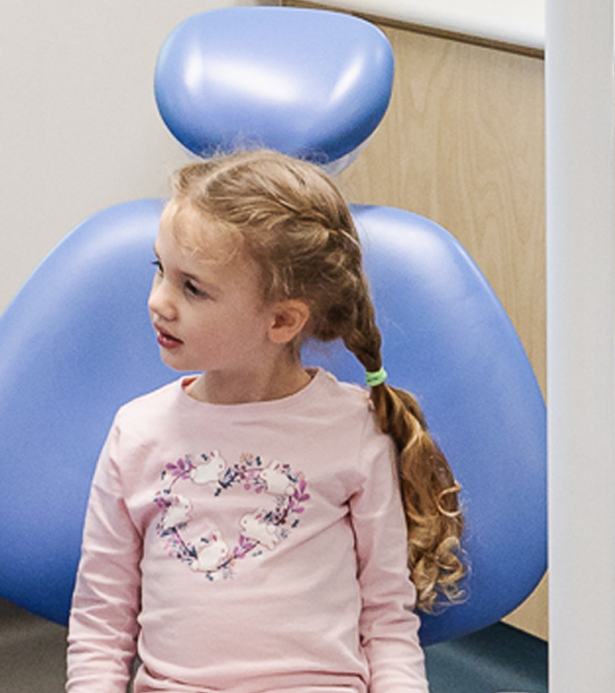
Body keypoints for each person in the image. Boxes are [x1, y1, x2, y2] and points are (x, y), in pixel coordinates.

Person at [65, 149, 466, 693]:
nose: (160, 302)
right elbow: (100, 624)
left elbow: (388, 623)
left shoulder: (353, 428)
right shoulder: (136, 432)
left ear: (281, 319)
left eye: (193, 288)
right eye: (160, 270)